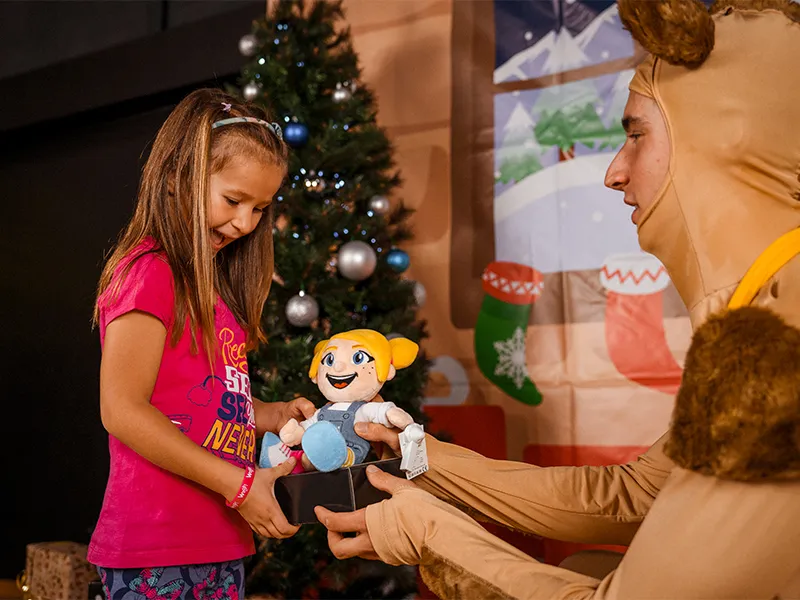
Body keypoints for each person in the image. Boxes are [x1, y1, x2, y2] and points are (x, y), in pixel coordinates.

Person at [315, 0, 800, 597]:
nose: (613, 172)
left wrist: (426, 532)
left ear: (724, 136)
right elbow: (629, 498)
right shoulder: (772, 315)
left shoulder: (778, 354)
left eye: (636, 134)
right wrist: (425, 460)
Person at [88, 88, 315, 599]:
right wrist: (239, 485)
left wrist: (273, 413)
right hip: (157, 546)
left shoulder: (211, 291)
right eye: (233, 200)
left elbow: (208, 401)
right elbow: (121, 409)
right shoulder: (149, 272)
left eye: (260, 208)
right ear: (178, 176)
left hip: (221, 541)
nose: (245, 223)